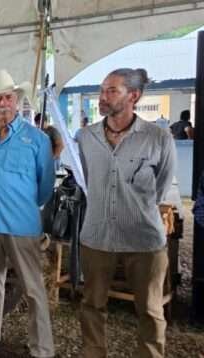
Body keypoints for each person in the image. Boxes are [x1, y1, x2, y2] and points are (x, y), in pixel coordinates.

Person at [76, 68, 176, 358]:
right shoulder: (86, 137)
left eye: (112, 91)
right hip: (97, 236)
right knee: (91, 305)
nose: (102, 97)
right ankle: (94, 353)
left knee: (150, 310)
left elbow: (161, 186)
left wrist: (135, 206)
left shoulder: (158, 138)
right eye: (102, 90)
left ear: (134, 96)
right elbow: (85, 180)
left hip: (143, 238)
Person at [0, 69, 55, 357]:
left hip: (22, 225)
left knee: (33, 288)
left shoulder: (37, 139)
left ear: (16, 100)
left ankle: (42, 348)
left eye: (7, 97)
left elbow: (45, 185)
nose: (2, 103)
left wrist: (23, 206)